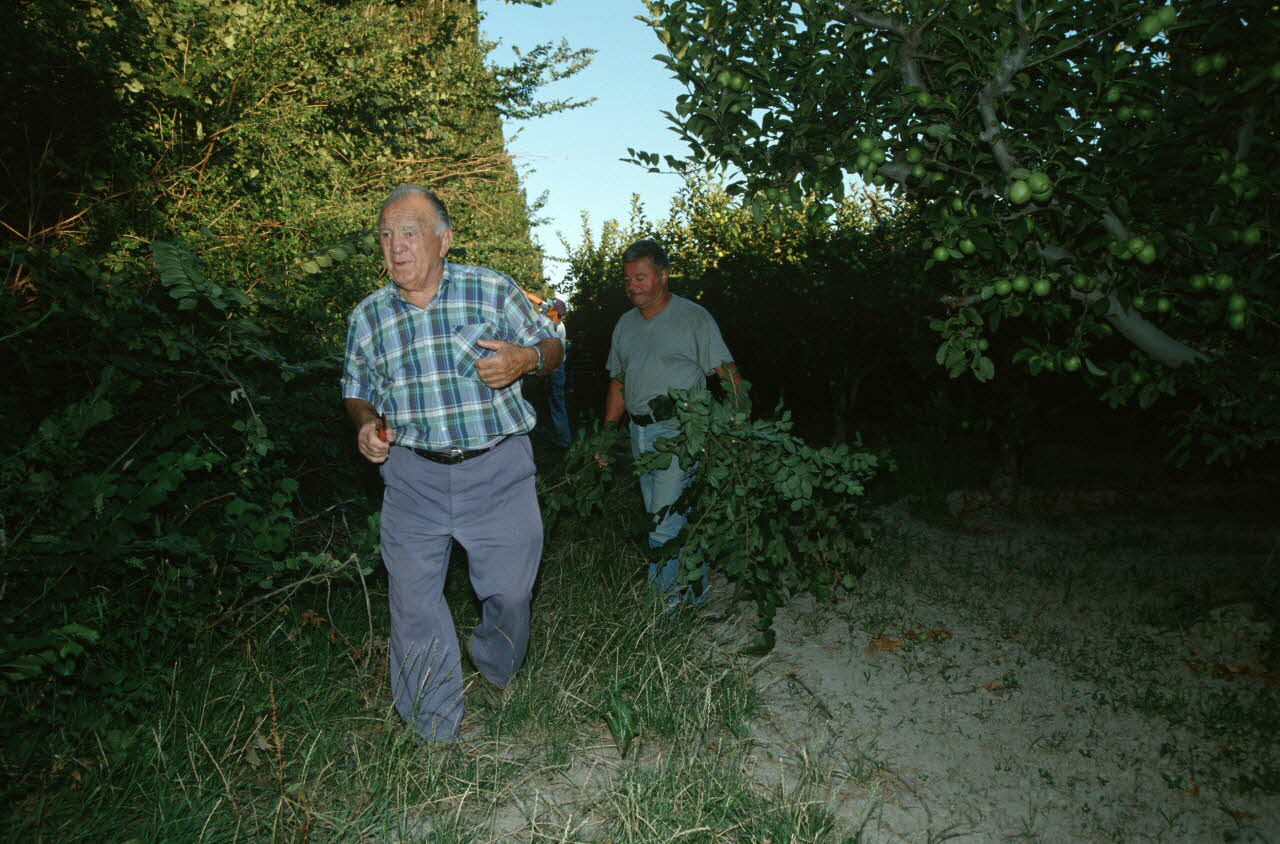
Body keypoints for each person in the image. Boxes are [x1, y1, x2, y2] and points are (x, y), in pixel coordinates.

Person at [341, 184, 564, 743]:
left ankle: (495, 659)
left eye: (410, 233)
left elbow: (556, 342)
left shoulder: (490, 289)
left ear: (445, 239)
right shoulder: (367, 317)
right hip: (412, 476)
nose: (396, 247)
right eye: (386, 236)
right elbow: (356, 390)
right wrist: (365, 422)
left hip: (497, 470)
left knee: (509, 593)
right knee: (413, 603)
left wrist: (527, 359)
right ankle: (433, 730)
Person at [603, 239, 739, 606]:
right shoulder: (625, 325)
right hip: (639, 432)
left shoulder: (693, 318)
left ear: (663, 276)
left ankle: (662, 614)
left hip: (680, 431)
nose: (633, 286)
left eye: (641, 278)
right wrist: (606, 434)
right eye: (628, 279)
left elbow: (726, 372)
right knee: (669, 516)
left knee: (662, 525)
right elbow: (618, 381)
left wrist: (739, 420)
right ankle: (696, 595)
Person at [546, 299, 572, 448]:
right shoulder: (557, 325)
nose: (546, 309)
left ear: (555, 312)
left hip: (556, 370)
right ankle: (559, 435)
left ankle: (564, 440)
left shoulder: (556, 327)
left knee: (557, 405)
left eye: (550, 307)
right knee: (554, 403)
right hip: (556, 369)